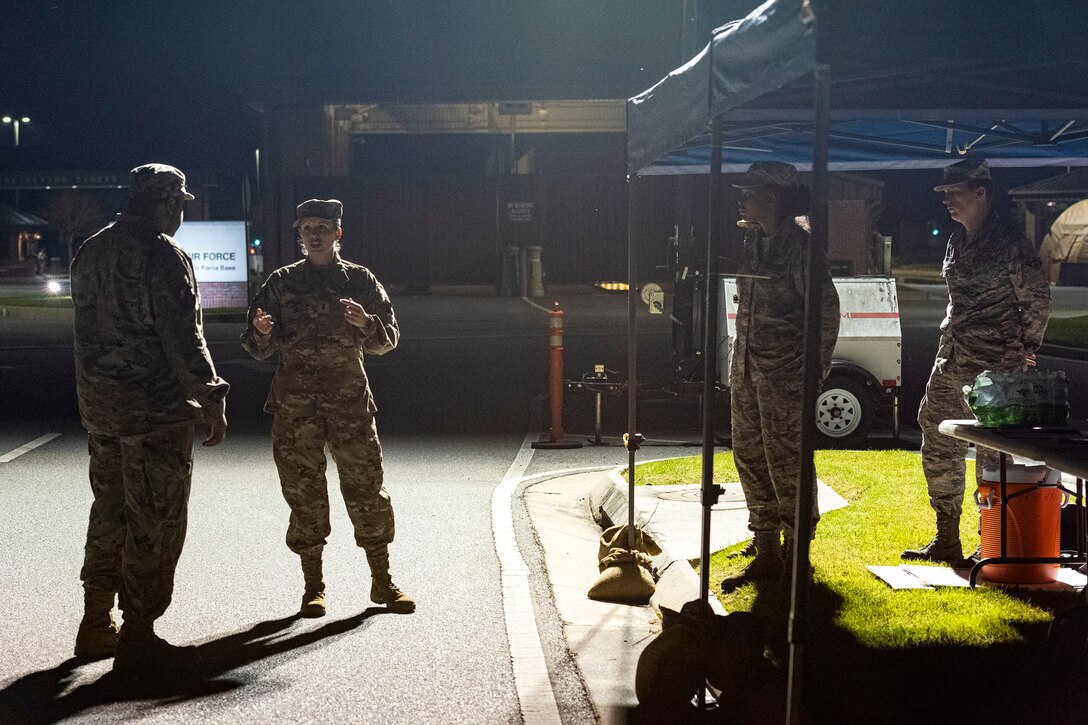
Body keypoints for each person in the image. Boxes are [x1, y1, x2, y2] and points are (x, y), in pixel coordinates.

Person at [70, 164, 229, 672]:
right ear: (164, 202)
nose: (183, 212)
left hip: (101, 409)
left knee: (109, 509)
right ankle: (139, 632)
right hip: (154, 411)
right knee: (155, 519)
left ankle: (96, 622)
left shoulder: (90, 250)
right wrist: (210, 398)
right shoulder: (163, 256)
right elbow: (183, 337)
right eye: (181, 204)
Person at [241, 199, 414, 616]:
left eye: (323, 227)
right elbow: (255, 345)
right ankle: (313, 587)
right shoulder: (281, 284)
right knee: (304, 493)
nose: (314, 234)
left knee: (366, 490)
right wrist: (262, 332)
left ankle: (382, 582)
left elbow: (388, 339)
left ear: (338, 233)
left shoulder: (359, 280)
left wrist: (365, 324)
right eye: (306, 228)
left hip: (349, 403)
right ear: (298, 235)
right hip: (295, 407)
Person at [903, 159, 1051, 563]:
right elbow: (958, 299)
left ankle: (994, 545)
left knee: (992, 453)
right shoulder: (957, 239)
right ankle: (947, 538)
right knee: (936, 435)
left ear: (981, 191)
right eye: (945, 194)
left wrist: (1023, 351)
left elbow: (1037, 301)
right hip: (951, 358)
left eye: (955, 192)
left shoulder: (1010, 242)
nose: (947, 200)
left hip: (994, 368)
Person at [720, 162, 840, 593]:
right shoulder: (754, 239)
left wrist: (815, 372)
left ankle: (796, 557)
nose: (742, 198)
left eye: (749, 192)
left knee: (788, 464)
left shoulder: (801, 249)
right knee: (750, 457)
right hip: (749, 368)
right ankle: (766, 550)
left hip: (787, 375)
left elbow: (825, 312)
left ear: (772, 198)